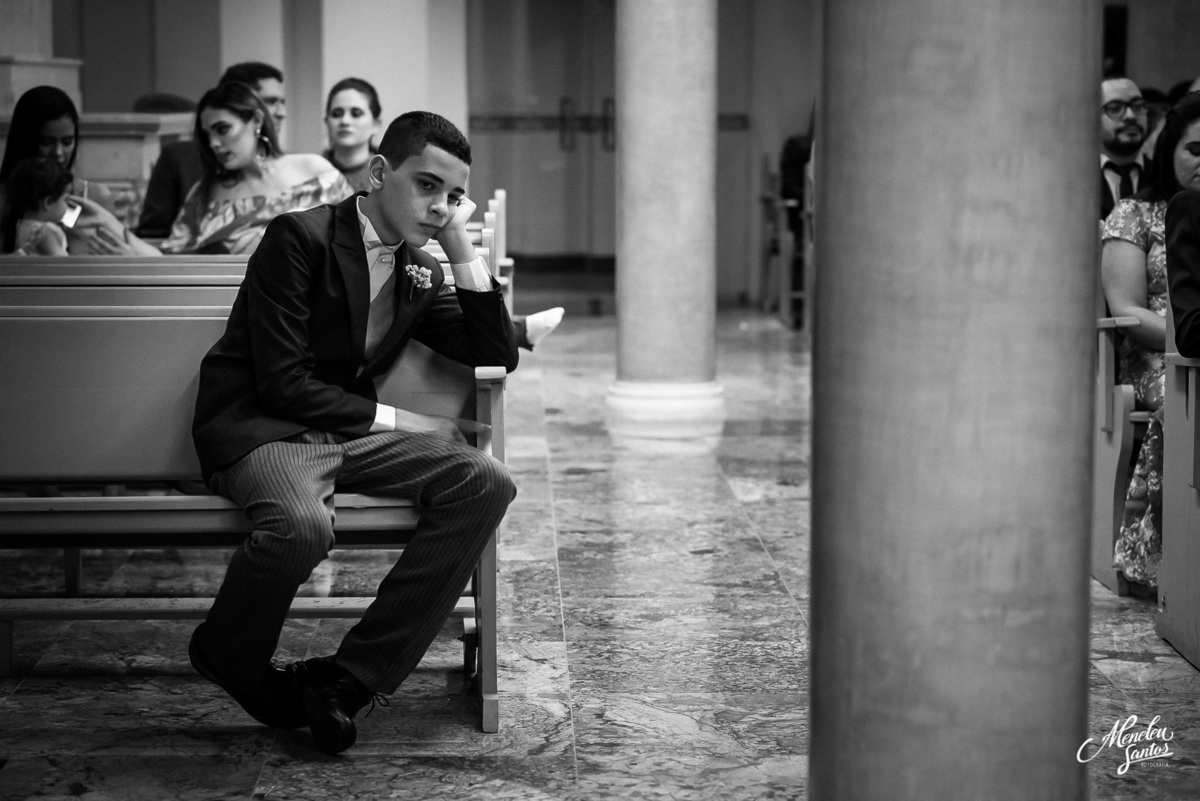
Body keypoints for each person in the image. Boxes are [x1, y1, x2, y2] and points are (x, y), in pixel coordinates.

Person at [186, 110, 519, 756]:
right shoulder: (300, 238)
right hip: (268, 430)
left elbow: (497, 352)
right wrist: (404, 419)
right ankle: (226, 649)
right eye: (426, 186)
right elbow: (282, 383)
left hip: (343, 435)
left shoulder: (419, 269)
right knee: (302, 526)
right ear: (377, 173)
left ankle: (348, 677)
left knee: (484, 482)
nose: (439, 205)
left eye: (452, 195)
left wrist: (462, 249)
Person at [1100, 91, 1200, 596]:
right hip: (1152, 355)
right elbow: (1127, 310)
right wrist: (1187, 342)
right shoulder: (1135, 214)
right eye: (1195, 150)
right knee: (1184, 392)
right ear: (1170, 153)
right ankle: (1166, 557)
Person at [157, 81, 352, 254]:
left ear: (257, 120)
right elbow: (173, 257)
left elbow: (359, 235)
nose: (214, 143)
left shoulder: (314, 171)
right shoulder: (205, 193)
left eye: (222, 129)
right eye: (208, 135)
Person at [137, 62, 288, 239]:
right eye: (270, 101)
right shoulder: (184, 163)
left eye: (282, 102)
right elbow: (157, 237)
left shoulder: (296, 167)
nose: (281, 112)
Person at [0, 85, 119, 243]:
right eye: (47, 142)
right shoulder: (3, 198)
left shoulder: (94, 197)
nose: (58, 153)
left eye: (67, 142)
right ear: (25, 140)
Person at [1100, 77, 1151, 220]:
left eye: (1138, 106)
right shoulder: (1077, 181)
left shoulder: (1165, 175)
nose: (1131, 116)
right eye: (1115, 108)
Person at [2, 157, 72, 255]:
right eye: (65, 199)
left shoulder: (23, 226)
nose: (67, 205)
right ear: (48, 202)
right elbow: (64, 264)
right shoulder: (44, 233)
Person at [323, 78, 383, 193]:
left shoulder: (387, 177)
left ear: (376, 124)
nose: (344, 121)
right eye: (336, 114)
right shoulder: (311, 173)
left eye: (356, 113)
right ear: (327, 122)